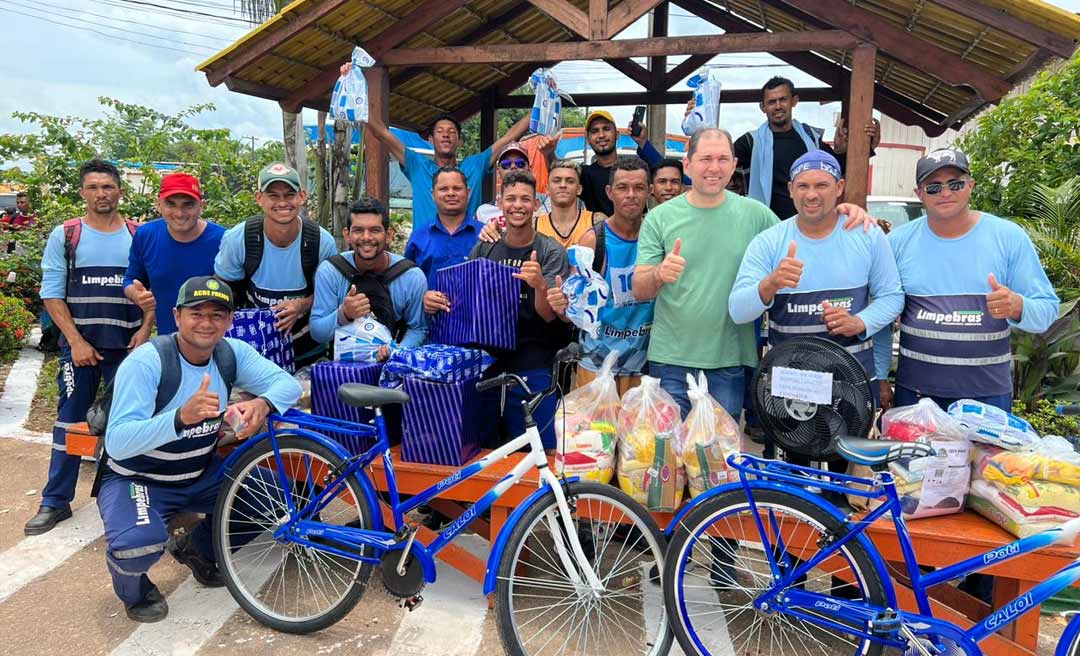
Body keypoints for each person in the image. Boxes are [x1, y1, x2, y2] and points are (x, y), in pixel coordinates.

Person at [633, 129, 875, 419]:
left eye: (723, 158)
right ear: (688, 164)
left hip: (730, 361)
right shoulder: (660, 217)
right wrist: (659, 274)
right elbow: (639, 289)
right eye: (705, 158)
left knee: (720, 458)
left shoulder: (757, 215)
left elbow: (805, 233)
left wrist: (843, 211)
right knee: (668, 456)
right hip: (670, 359)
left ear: (734, 164)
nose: (714, 167)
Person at [98, 275, 301, 622]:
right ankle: (136, 591)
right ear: (177, 316)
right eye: (197, 313)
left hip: (199, 473)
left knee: (279, 501)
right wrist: (179, 418)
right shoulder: (147, 362)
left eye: (217, 314)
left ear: (230, 321)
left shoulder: (230, 353)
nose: (207, 323)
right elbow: (117, 442)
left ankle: (200, 550)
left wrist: (262, 404)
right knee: (137, 545)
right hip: (139, 477)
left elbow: (287, 384)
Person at [730, 150, 904, 459]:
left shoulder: (865, 234)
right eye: (803, 186)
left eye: (822, 185)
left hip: (850, 386)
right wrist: (771, 283)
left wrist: (859, 322)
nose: (812, 195)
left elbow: (892, 297)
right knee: (794, 487)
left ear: (839, 187)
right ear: (791, 190)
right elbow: (738, 310)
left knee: (842, 487)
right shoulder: (769, 242)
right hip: (792, 387)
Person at [24, 159, 153, 536]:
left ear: (120, 191)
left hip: (128, 349)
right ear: (83, 192)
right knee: (69, 419)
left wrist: (144, 333)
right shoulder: (66, 235)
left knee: (130, 424)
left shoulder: (136, 235)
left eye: (108, 187)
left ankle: (130, 501)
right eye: (94, 187)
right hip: (80, 351)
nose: (101, 194)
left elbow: (152, 294)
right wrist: (76, 341)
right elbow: (51, 294)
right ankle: (54, 502)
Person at [876, 149, 1059, 412]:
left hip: (987, 397)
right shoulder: (897, 243)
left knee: (984, 457)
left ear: (970, 186)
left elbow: (1047, 310)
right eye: (934, 187)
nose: (946, 193)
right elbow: (882, 317)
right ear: (919, 194)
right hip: (916, 397)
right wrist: (881, 378)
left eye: (956, 184)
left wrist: (1017, 306)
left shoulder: (1008, 237)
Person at [460, 172, 568, 450]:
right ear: (500, 203)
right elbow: (467, 304)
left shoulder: (550, 251)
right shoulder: (484, 247)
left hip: (534, 364)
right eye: (511, 199)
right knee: (485, 451)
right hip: (487, 364)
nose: (517, 205)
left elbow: (549, 315)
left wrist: (539, 285)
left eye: (525, 199)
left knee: (541, 452)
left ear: (536, 204)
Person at [689, 76, 880, 220]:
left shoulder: (811, 139)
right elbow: (715, 159)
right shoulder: (750, 142)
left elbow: (838, 168)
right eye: (771, 102)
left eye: (783, 99)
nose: (778, 106)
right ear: (763, 107)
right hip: (763, 226)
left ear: (794, 101)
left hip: (808, 225)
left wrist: (866, 145)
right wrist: (697, 122)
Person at [547, 156, 654, 395]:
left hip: (645, 369)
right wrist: (562, 306)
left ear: (650, 191)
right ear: (609, 192)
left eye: (638, 188)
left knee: (641, 433)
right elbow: (572, 313)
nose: (631, 194)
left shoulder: (657, 237)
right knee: (595, 434)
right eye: (622, 187)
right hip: (596, 366)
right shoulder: (594, 240)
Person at [214, 162, 336, 367]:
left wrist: (301, 305)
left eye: (289, 195)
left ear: (302, 197)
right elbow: (224, 291)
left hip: (308, 348)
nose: (282, 203)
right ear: (259, 198)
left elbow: (332, 296)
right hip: (254, 348)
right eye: (273, 195)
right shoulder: (239, 239)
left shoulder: (321, 242)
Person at [364, 108, 529, 230]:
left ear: (460, 141)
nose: (445, 135)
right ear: (430, 139)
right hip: (426, 251)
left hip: (466, 251)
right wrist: (355, 94)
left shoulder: (474, 166)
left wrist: (545, 101)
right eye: (440, 131)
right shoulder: (418, 165)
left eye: (452, 132)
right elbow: (382, 134)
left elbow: (509, 137)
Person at [310, 197, 428, 358]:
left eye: (375, 230)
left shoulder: (411, 276)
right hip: (342, 370)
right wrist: (344, 314)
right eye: (358, 230)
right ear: (347, 235)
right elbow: (317, 332)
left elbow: (419, 328)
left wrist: (397, 351)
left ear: (388, 235)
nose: (366, 237)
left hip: (393, 367)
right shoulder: (331, 271)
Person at [123, 172, 226, 335]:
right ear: (158, 204)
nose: (179, 213)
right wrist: (136, 294)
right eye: (171, 204)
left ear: (202, 205)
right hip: (167, 340)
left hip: (214, 341)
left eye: (188, 205)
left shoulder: (224, 241)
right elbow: (131, 279)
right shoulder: (146, 235)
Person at [404, 167, 484, 289]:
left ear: (468, 192)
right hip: (431, 308)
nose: (451, 193)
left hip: (475, 308)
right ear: (433, 194)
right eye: (443, 189)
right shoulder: (419, 237)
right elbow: (408, 283)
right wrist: (423, 297)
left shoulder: (484, 235)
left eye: (457, 188)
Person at [580, 110, 664, 216]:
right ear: (588, 139)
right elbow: (557, 176)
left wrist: (642, 142)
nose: (601, 135)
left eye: (606, 129)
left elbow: (666, 172)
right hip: (600, 232)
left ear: (617, 135)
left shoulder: (637, 170)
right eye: (595, 131)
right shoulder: (585, 175)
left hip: (639, 231)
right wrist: (551, 153)